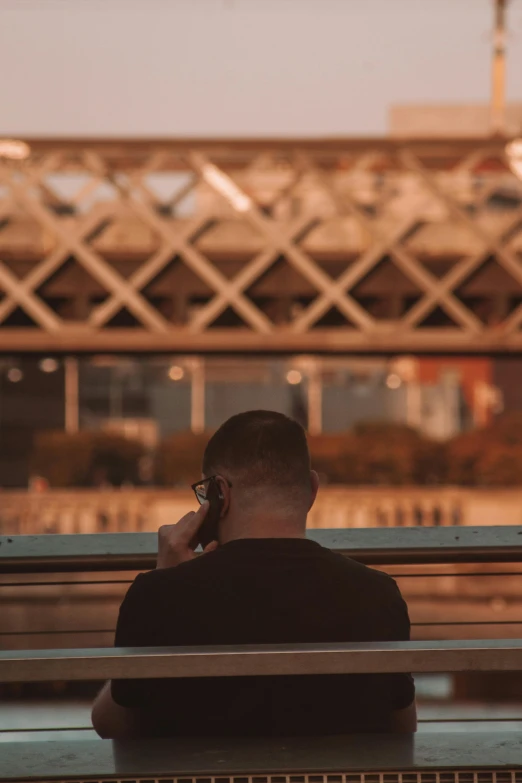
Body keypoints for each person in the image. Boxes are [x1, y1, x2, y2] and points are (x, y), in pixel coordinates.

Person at [92, 410, 416, 738]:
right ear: (313, 489)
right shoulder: (378, 593)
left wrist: (165, 579)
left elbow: (111, 724)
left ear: (221, 493)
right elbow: (402, 727)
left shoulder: (158, 595)